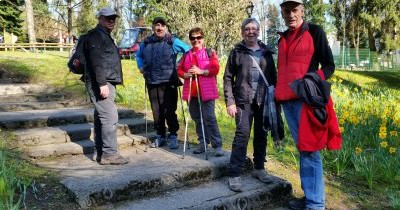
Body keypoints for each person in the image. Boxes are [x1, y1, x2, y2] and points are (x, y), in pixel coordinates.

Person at [277, 1, 342, 209]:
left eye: (294, 10)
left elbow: (329, 66)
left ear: (302, 11)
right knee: (303, 149)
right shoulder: (282, 38)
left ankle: (315, 204)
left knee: (310, 150)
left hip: (306, 102)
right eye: (286, 11)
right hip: (286, 102)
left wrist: (312, 81)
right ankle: (310, 197)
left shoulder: (315, 32)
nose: (290, 14)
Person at [223, 18, 284, 192]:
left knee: (261, 135)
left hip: (264, 101)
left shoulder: (266, 53)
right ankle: (234, 174)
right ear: (242, 32)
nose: (251, 32)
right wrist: (230, 101)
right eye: (247, 29)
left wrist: (276, 103)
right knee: (241, 136)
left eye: (254, 29)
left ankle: (259, 168)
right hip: (243, 101)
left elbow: (273, 79)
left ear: (258, 31)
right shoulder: (236, 52)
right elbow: (228, 78)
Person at [136, 17, 190, 149]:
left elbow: (188, 50)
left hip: (169, 81)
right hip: (152, 81)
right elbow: (138, 55)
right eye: (156, 25)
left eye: (162, 25)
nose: (159, 27)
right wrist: (141, 66)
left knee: (169, 110)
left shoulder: (172, 41)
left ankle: (173, 136)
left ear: (166, 27)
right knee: (157, 111)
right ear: (153, 27)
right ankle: (160, 135)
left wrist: (179, 64)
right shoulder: (146, 42)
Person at [84, 7, 128, 165]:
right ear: (100, 18)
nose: (111, 21)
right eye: (108, 18)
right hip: (101, 82)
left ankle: (101, 152)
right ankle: (110, 154)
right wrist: (102, 84)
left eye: (113, 18)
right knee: (110, 116)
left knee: (101, 117)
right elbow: (96, 61)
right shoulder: (96, 36)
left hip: (105, 81)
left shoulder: (104, 36)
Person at [177, 27, 223, 157]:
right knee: (197, 118)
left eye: (198, 37)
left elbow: (215, 69)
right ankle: (203, 143)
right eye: (193, 38)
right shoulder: (186, 54)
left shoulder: (209, 52)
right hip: (191, 92)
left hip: (207, 91)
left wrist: (201, 71)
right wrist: (185, 74)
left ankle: (217, 145)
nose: (196, 40)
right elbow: (178, 69)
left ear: (203, 38)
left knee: (209, 118)